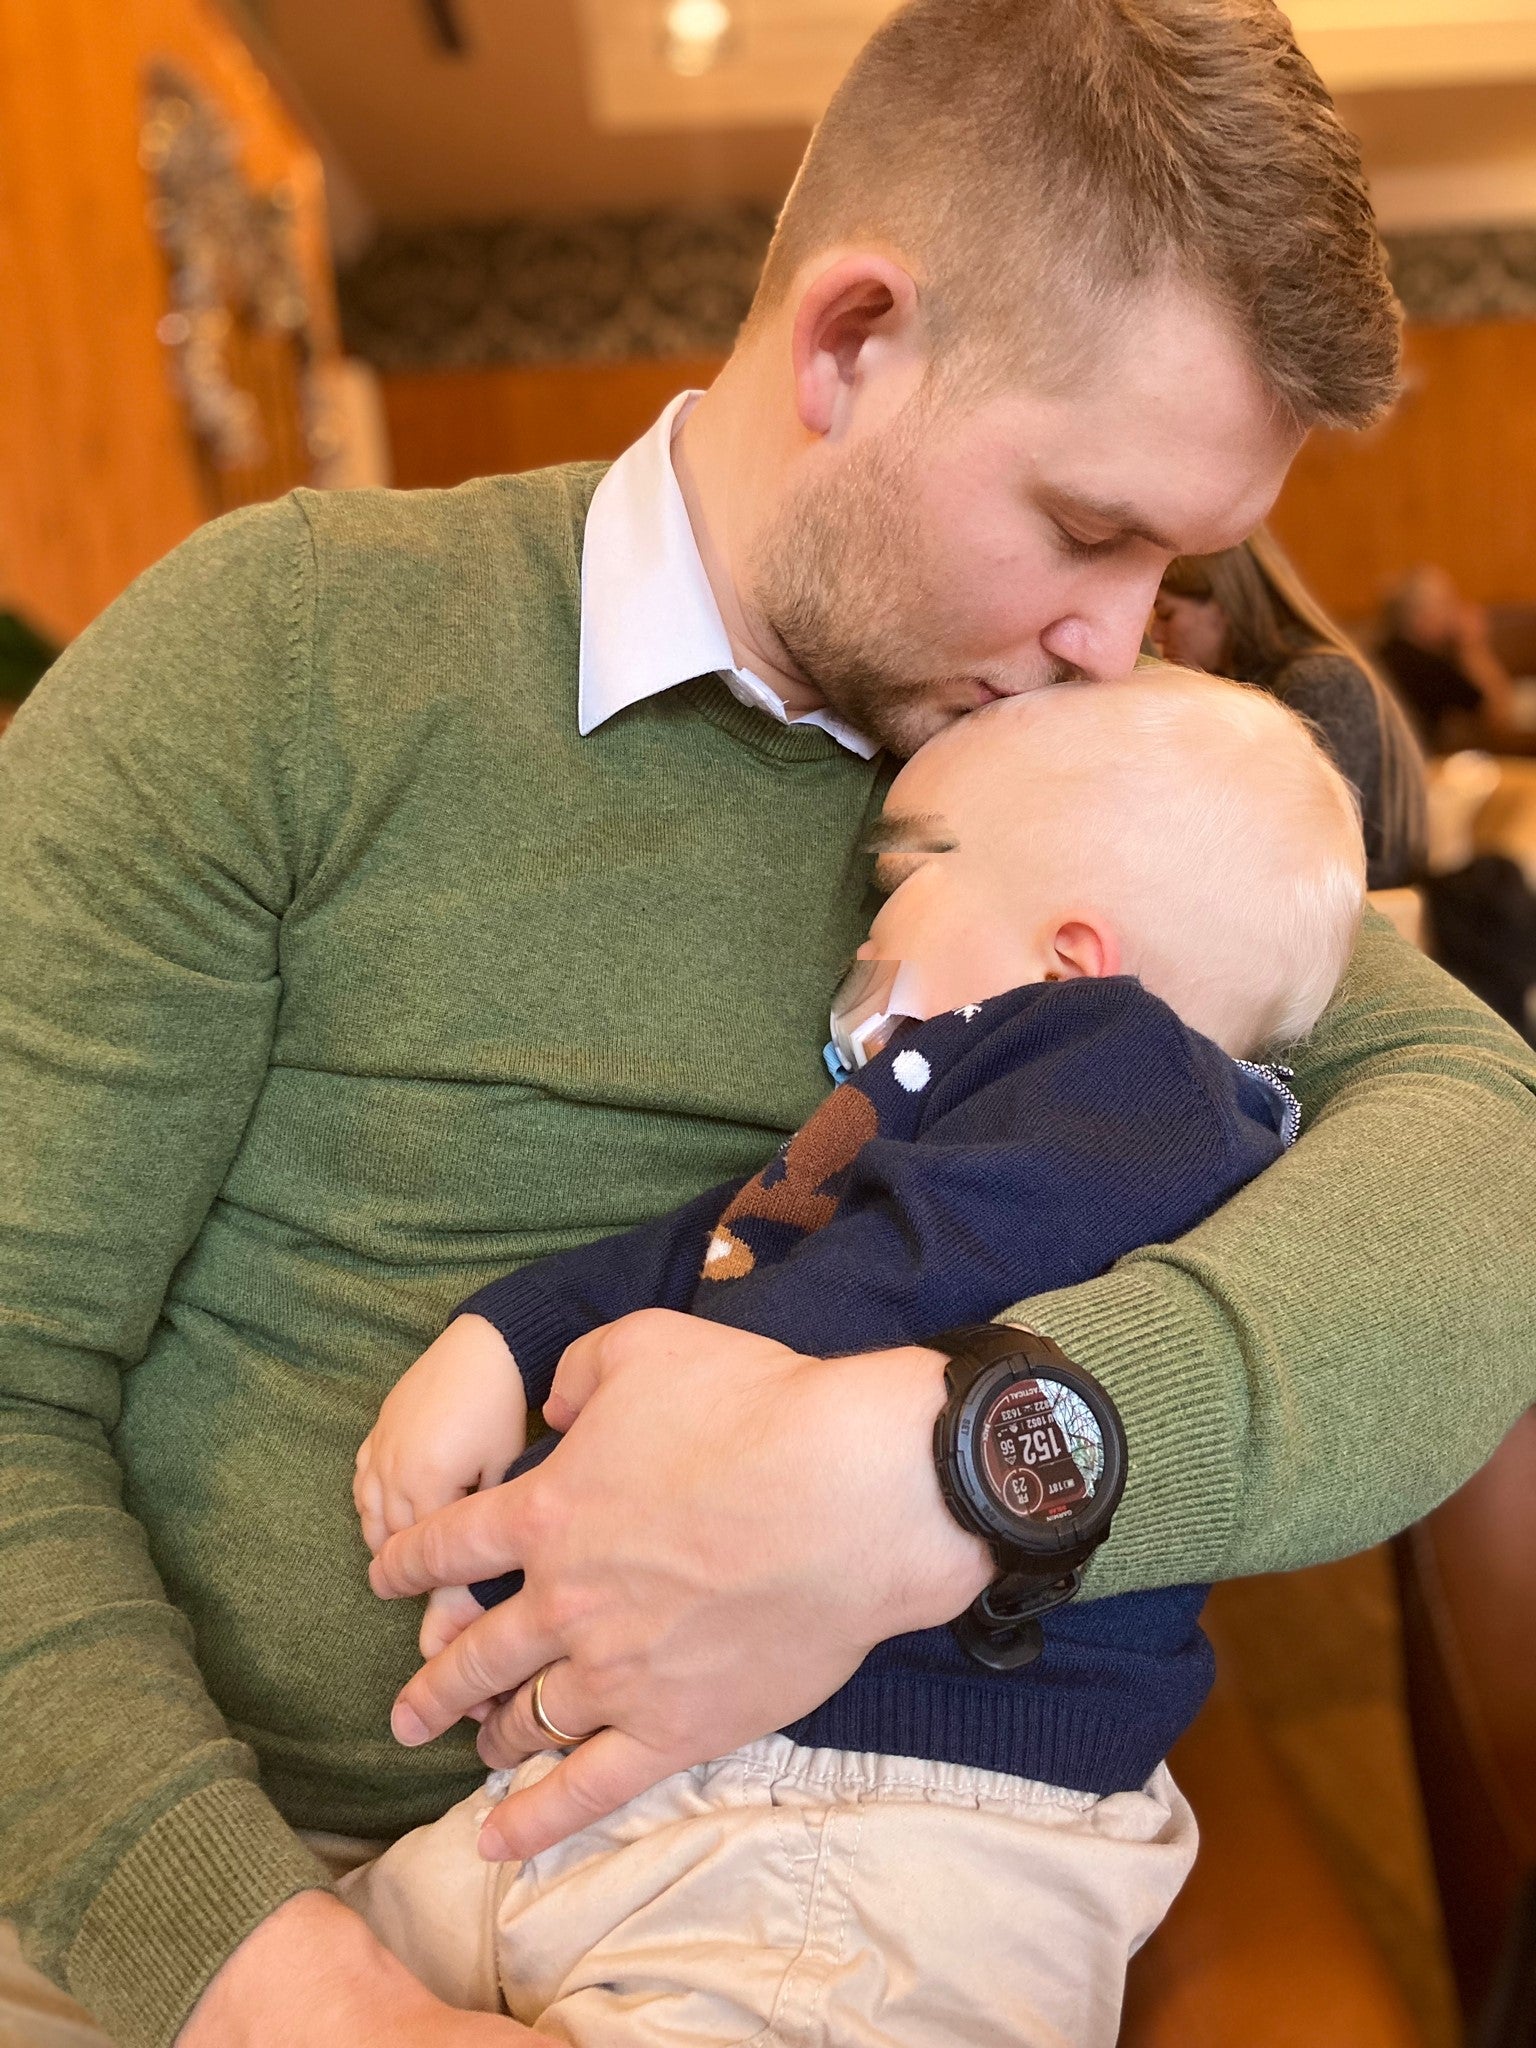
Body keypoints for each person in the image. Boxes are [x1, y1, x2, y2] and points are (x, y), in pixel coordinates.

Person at [3, 5, 1535, 2048]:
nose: (1123, 634)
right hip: (190, 1916)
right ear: (850, 344)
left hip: (827, 1877)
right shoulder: (288, 651)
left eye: (1178, 558)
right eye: (1088, 527)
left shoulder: (1097, 786)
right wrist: (286, 1990)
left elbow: (1484, 1173)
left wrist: (947, 1468)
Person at [343, 670, 1366, 2045]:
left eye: (903, 877)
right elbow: (721, 1244)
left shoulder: (1134, 1079)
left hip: (894, 1819)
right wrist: (504, 1336)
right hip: (706, 1774)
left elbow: (892, 1299)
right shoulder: (924, 1119)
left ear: (1073, 960)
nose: (864, 926)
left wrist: (587, 1493)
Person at [1149, 527, 1425, 888]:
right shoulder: (1254, 685)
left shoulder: (1320, 683)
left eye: (1166, 614)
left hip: (1355, 907)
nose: (1156, 635)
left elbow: (1303, 851)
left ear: (1223, 605)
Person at [1378, 563, 1525, 753]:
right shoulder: (1427, 666)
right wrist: (1473, 645)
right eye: (1448, 604)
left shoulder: (1384, 653)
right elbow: (1500, 714)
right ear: (1423, 616)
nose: (1457, 612)